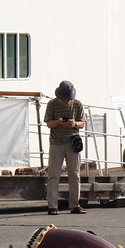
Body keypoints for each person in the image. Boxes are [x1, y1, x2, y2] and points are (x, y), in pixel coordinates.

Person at [44, 80, 86, 216]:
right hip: (56, 142)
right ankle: (52, 205)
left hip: (72, 142)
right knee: (53, 175)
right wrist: (58, 122)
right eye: (64, 99)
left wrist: (75, 124)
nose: (67, 101)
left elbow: (82, 123)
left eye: (69, 99)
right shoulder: (52, 104)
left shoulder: (77, 104)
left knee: (75, 174)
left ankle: (75, 204)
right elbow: (49, 123)